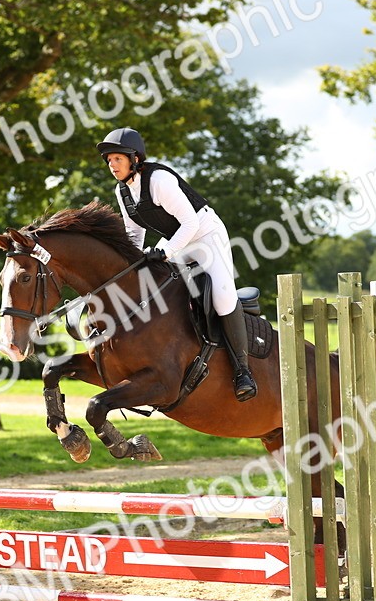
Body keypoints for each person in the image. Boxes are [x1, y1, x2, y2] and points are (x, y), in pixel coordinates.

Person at [96, 127, 257, 401]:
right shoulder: (123, 191)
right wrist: (131, 264)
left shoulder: (159, 180)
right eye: (109, 160)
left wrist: (165, 251)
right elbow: (134, 233)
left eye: (117, 159)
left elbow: (190, 222)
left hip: (206, 237)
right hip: (178, 241)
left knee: (222, 298)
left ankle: (243, 371)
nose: (112, 165)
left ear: (135, 158)